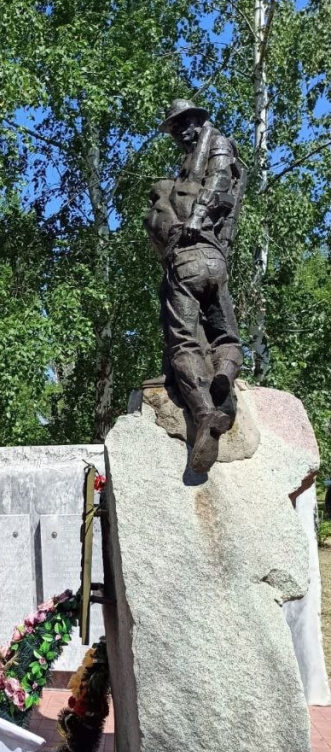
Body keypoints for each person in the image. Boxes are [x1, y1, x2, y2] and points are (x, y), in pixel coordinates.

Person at [147, 99, 246, 474]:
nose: (178, 134)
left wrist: (198, 216)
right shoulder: (189, 164)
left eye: (181, 126)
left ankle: (205, 412)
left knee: (184, 341)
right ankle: (224, 377)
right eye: (173, 130)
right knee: (227, 335)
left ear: (196, 120)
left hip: (189, 260)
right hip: (213, 263)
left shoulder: (217, 143)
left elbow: (221, 181)